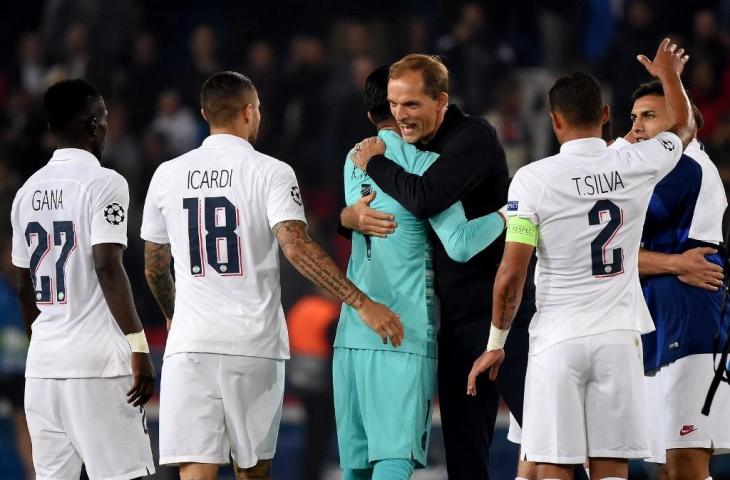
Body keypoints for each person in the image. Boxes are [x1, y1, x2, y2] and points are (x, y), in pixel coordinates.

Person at [140, 71, 401, 480]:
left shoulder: (166, 175)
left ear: (206, 113)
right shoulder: (271, 171)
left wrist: (172, 314)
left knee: (194, 472)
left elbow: (155, 264)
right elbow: (296, 246)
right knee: (253, 472)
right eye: (257, 108)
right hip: (252, 343)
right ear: (248, 111)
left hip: (190, 346)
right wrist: (362, 303)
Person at [467, 38, 695, 480]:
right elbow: (683, 127)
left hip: (558, 341)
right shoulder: (637, 163)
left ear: (554, 121)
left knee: (552, 465)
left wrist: (495, 345)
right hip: (618, 338)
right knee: (611, 469)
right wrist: (669, 75)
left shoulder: (532, 181)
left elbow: (511, 274)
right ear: (606, 115)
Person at [346, 53, 535, 480]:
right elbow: (378, 214)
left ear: (441, 101)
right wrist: (348, 218)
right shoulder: (411, 149)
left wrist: (376, 163)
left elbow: (426, 197)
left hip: (505, 316)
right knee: (466, 462)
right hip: (454, 322)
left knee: (547, 443)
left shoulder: (472, 138)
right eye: (394, 105)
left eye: (411, 105)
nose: (400, 116)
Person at [10, 79, 156, 479]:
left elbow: (24, 287)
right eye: (105, 119)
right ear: (92, 126)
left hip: (43, 369)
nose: (107, 127)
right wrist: (138, 345)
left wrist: (43, 342)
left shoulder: (26, 192)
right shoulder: (105, 183)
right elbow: (107, 265)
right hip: (97, 366)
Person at [622, 79, 729, 479]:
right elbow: (616, 257)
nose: (636, 128)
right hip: (659, 323)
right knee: (669, 467)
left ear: (683, 122)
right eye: (633, 118)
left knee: (686, 464)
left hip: (693, 324)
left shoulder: (688, 165)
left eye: (649, 116)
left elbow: (610, 244)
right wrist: (670, 263)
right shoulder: (662, 169)